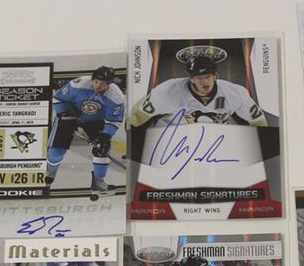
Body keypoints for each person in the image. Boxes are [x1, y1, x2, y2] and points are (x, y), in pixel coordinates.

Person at [45, 66, 124, 197]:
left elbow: (114, 120)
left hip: (95, 121)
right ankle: (49, 172)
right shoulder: (79, 84)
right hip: (69, 116)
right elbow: (57, 98)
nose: (98, 86)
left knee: (103, 149)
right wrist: (64, 113)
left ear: (109, 83)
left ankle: (98, 183)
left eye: (102, 83)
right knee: (56, 151)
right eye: (96, 81)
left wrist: (105, 136)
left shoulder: (116, 96)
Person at [129, 54, 267, 128]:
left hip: (220, 141)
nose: (204, 82)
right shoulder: (168, 91)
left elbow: (259, 122)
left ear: (215, 76)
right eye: (199, 78)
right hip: (175, 141)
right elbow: (137, 118)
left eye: (207, 77)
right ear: (191, 79)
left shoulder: (235, 93)